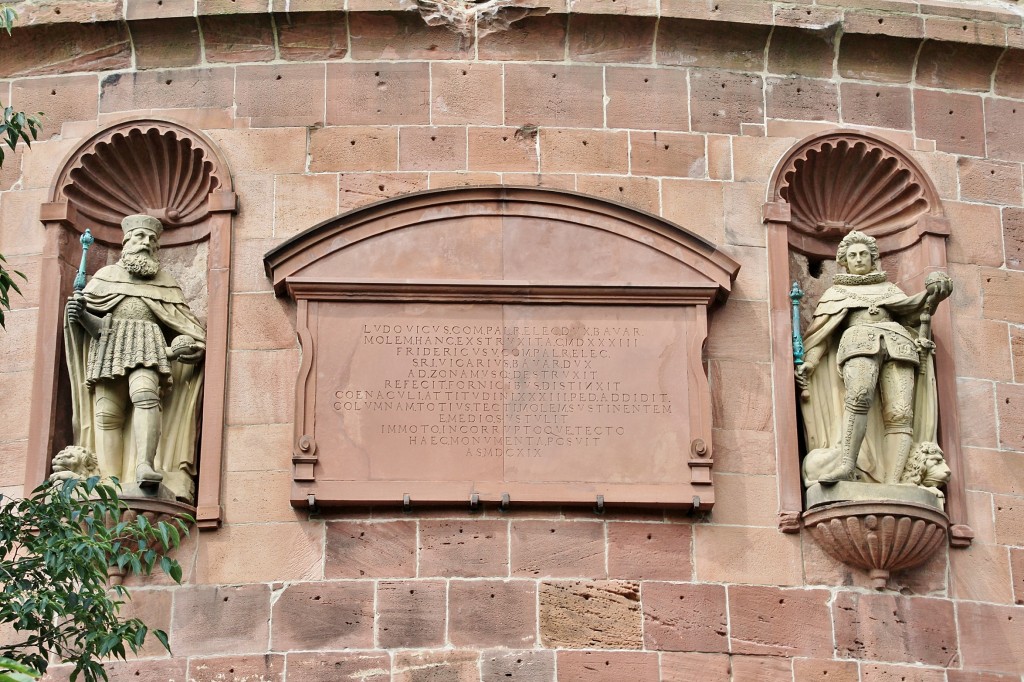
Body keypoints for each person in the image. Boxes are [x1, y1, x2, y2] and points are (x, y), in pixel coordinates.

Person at [64, 214, 206, 502]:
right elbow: (95, 327)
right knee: (107, 413)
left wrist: (190, 346)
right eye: (140, 237)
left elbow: (185, 324)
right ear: (126, 242)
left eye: (152, 240)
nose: (146, 243)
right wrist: (80, 314)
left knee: (145, 395)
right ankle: (109, 480)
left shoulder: (165, 283)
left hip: (149, 348)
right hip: (109, 346)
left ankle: (144, 465)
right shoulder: (104, 278)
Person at [796, 230, 952, 486]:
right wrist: (810, 363)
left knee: (900, 413)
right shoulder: (835, 294)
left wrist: (934, 292)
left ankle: (895, 480)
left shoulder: (890, 290)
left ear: (873, 258)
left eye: (864, 254)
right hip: (857, 343)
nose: (859, 259)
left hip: (899, 345)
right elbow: (821, 336)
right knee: (858, 398)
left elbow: (915, 310)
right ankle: (846, 465)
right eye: (853, 255)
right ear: (844, 261)